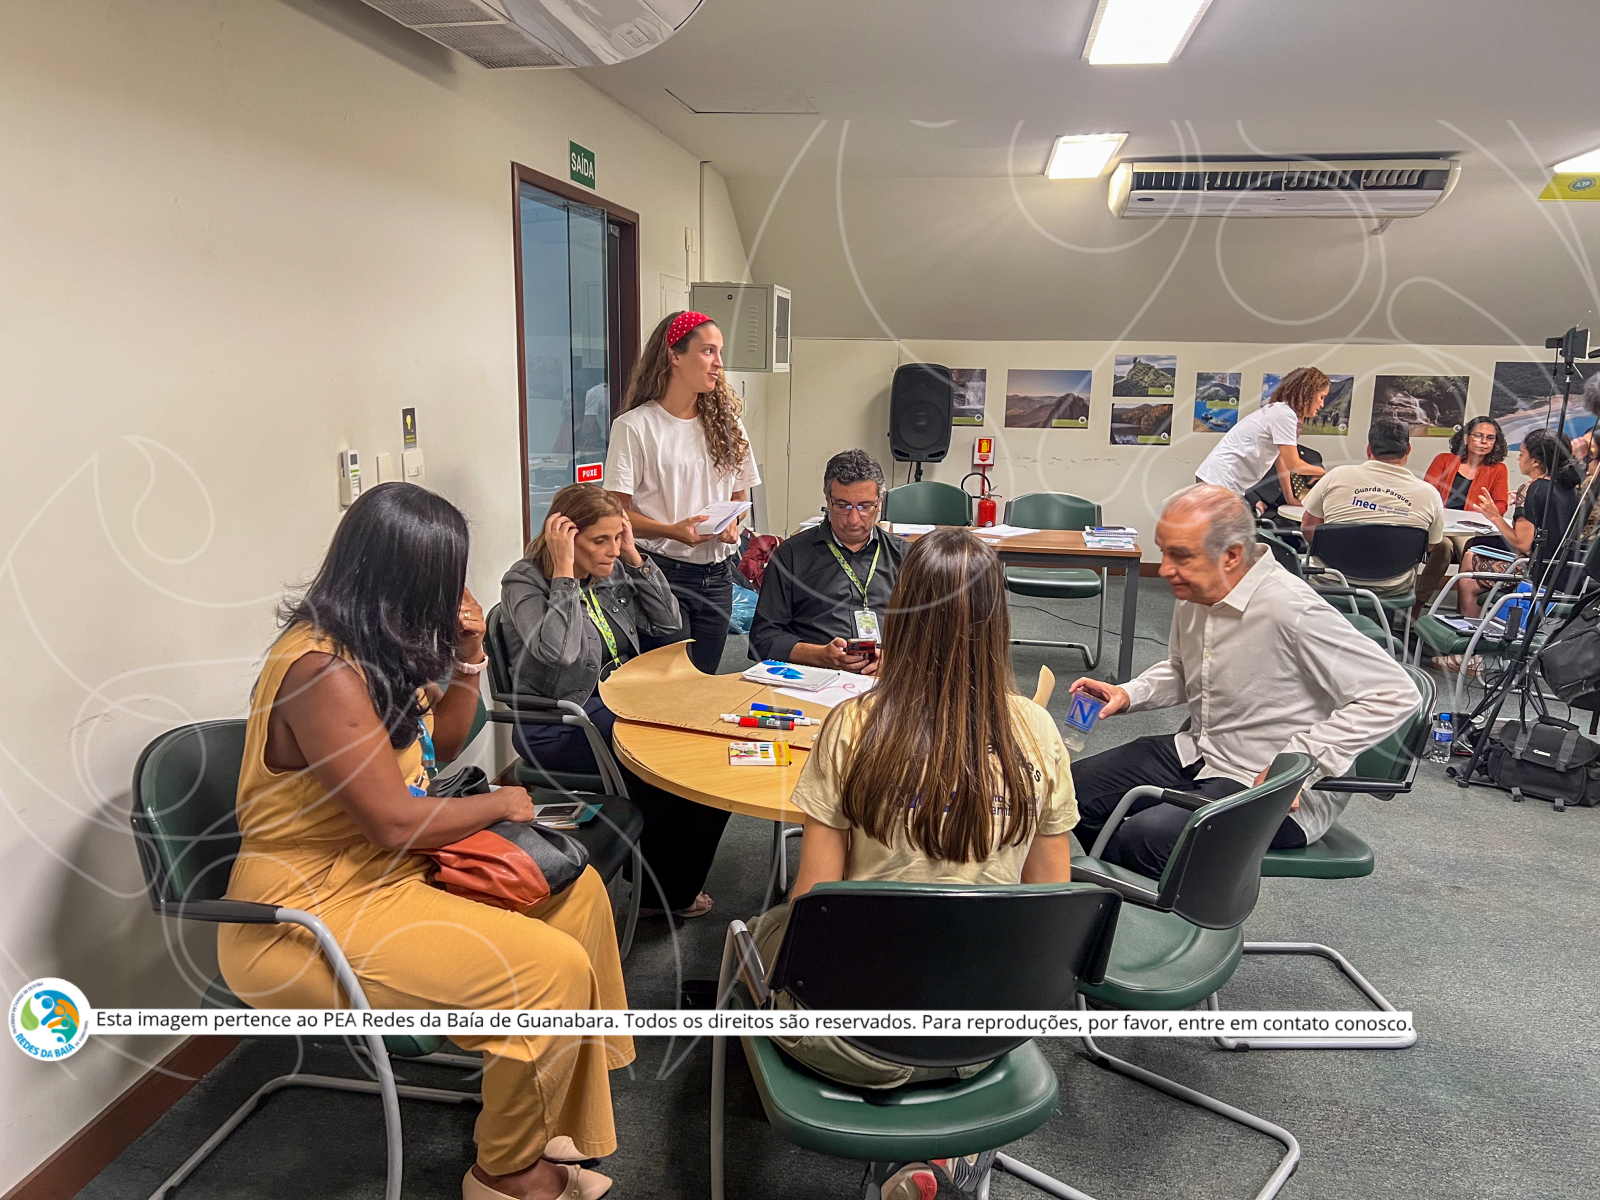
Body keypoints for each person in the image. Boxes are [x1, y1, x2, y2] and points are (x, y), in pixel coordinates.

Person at [219, 483, 630, 1200]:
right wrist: (501, 801)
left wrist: (468, 659)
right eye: (444, 578)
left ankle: (554, 1110)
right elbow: (392, 820)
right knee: (545, 973)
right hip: (303, 915)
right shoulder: (321, 672)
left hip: (388, 875)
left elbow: (437, 743)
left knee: (579, 895)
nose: (455, 594)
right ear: (401, 579)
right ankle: (506, 1173)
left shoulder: (368, 648)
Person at [747, 527, 1078, 1200]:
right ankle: (942, 1151)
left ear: (901, 614)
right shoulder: (1038, 731)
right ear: (998, 620)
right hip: (986, 1031)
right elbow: (1050, 900)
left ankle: (899, 1144)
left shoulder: (852, 726)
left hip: (856, 1040)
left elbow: (814, 906)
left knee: (759, 935)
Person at [1069, 485, 1419, 879]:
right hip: (1201, 751)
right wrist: (1128, 693)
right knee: (1072, 792)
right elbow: (1183, 671)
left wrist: (1301, 761)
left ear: (1232, 555)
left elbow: (1394, 692)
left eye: (1180, 555)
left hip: (1270, 785)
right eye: (1163, 552)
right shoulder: (1196, 592)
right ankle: (1125, 893)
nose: (1164, 569)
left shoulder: (1292, 609)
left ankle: (1178, 909)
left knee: (1148, 838)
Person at [501, 483, 732, 920]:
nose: (612, 550)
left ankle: (667, 885)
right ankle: (661, 892)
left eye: (617, 537)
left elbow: (670, 625)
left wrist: (635, 557)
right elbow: (560, 652)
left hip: (621, 704)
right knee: (673, 768)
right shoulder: (524, 581)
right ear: (566, 538)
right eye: (600, 540)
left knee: (705, 764)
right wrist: (565, 575)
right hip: (560, 722)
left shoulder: (610, 569)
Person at [605, 310, 761, 675]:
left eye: (719, 352)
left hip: (719, 575)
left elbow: (741, 498)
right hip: (660, 573)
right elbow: (615, 513)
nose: (718, 363)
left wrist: (732, 523)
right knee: (668, 683)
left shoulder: (727, 424)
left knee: (702, 680)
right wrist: (672, 531)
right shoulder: (635, 427)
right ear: (674, 355)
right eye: (708, 351)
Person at [748, 449, 906, 671]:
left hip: (888, 676)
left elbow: (933, 633)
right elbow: (763, 639)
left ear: (881, 501)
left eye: (865, 507)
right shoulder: (791, 555)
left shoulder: (905, 557)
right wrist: (820, 656)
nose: (853, 519)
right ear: (827, 498)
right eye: (842, 506)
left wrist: (897, 660)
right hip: (815, 675)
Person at [1300, 420, 1446, 596]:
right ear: (1408, 449)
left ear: (1369, 449)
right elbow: (1429, 545)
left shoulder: (1336, 476)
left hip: (1331, 579)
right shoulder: (1430, 494)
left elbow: (1308, 528)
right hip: (1392, 586)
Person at [1452, 427, 1584, 621]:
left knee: (1468, 568)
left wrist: (1494, 516)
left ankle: (1469, 634)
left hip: (1535, 572)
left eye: (1522, 454)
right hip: (1565, 572)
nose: (1518, 459)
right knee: (1472, 558)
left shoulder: (1531, 489)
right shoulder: (1571, 488)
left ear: (1536, 461)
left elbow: (1522, 544)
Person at [1196, 367, 1330, 500]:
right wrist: (1324, 472)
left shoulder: (1280, 411)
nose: (1322, 404)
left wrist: (1290, 499)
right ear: (1309, 394)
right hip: (1220, 481)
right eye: (1322, 397)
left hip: (1218, 479)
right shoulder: (1285, 415)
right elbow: (1294, 464)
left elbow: (1282, 460)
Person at [1423, 416, 1510, 513]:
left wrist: (1488, 511)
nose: (1484, 441)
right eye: (1478, 436)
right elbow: (1427, 495)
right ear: (1466, 439)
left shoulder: (1499, 469)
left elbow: (1501, 504)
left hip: (1476, 521)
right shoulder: (1443, 460)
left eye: (1490, 438)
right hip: (1439, 517)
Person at [1244, 443, 1323, 519]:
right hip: (1273, 510)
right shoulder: (1257, 454)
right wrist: (1254, 500)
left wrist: (1320, 479)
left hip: (1305, 510)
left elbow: (1318, 488)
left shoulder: (1313, 456)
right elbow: (1241, 481)